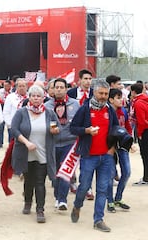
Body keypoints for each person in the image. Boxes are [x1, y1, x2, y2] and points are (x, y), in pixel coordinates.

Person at [70, 80, 119, 232]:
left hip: (106, 157)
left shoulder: (110, 110)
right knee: (84, 187)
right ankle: (77, 205)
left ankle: (98, 219)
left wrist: (112, 148)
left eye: (106, 93)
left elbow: (116, 129)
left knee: (103, 189)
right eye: (101, 93)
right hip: (89, 156)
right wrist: (86, 131)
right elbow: (73, 128)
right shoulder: (84, 109)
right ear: (94, 92)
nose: (104, 96)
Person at [11, 85, 59, 223]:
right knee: (28, 180)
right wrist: (26, 142)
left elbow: (56, 127)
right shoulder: (21, 112)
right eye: (33, 96)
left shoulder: (49, 113)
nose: (36, 98)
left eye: (39, 96)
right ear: (29, 97)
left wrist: (55, 130)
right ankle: (27, 202)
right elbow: (14, 130)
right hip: (26, 153)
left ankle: (40, 210)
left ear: (43, 98)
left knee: (40, 181)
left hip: (43, 153)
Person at [44, 78, 80, 211]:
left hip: (69, 142)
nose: (58, 89)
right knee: (54, 173)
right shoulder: (47, 105)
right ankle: (57, 196)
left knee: (65, 171)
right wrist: (50, 128)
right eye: (56, 87)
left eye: (61, 87)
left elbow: (79, 122)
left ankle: (62, 199)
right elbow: (43, 122)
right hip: (52, 143)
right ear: (52, 89)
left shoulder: (75, 104)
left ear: (66, 89)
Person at [67, 69, 95, 200]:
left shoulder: (95, 94)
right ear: (79, 80)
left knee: (86, 161)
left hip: (88, 132)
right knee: (71, 157)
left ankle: (86, 187)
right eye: (85, 79)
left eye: (90, 79)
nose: (88, 81)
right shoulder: (71, 93)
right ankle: (71, 181)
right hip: (73, 130)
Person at [106, 88, 133, 212]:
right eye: (118, 97)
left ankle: (118, 197)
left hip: (122, 145)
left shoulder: (123, 111)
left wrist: (130, 141)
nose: (121, 100)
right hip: (110, 146)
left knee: (126, 172)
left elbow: (127, 125)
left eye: (121, 97)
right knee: (110, 174)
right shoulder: (107, 112)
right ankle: (110, 201)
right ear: (111, 99)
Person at [130, 83, 148, 185]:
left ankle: (146, 178)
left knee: (145, 155)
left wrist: (140, 134)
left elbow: (141, 121)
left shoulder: (138, 103)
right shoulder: (145, 99)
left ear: (133, 91)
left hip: (144, 131)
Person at [0, 80, 12, 149]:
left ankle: (10, 143)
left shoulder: (13, 92)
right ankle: (0, 143)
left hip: (10, 111)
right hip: (1, 109)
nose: (6, 87)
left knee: (10, 127)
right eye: (4, 86)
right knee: (1, 127)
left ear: (10, 85)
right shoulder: (0, 92)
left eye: (7, 86)